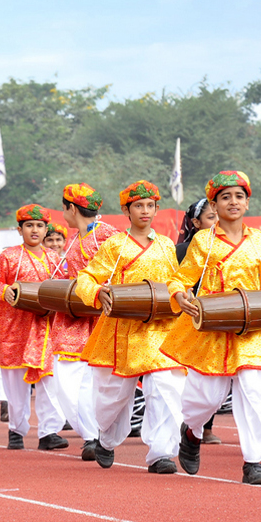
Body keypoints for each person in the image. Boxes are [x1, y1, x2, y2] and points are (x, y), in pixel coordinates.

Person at [166, 171, 261, 485]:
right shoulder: (203, 241)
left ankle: (254, 461)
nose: (232, 202)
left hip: (252, 330)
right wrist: (181, 296)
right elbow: (180, 279)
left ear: (247, 202)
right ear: (214, 204)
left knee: (258, 392)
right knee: (205, 399)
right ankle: (192, 432)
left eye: (238, 196)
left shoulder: (257, 239)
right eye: (225, 197)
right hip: (214, 325)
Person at [75, 181, 185, 472]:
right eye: (138, 206)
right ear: (126, 209)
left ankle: (162, 453)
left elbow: (175, 279)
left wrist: (180, 293)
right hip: (120, 329)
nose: (145, 211)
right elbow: (86, 279)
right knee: (112, 397)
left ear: (157, 208)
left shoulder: (165, 245)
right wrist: (98, 293)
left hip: (159, 327)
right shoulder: (115, 245)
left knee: (164, 387)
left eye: (150, 205)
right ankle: (107, 439)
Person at [0, 204, 66, 450]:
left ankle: (49, 432)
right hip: (14, 329)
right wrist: (4, 290)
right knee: (15, 385)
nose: (34, 230)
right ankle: (16, 430)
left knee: (49, 382)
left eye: (40, 225)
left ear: (45, 229)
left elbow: (63, 287)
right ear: (20, 230)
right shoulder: (9, 256)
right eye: (29, 225)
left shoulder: (54, 258)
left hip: (45, 329)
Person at [49, 183, 118, 459]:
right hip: (75, 317)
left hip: (102, 315)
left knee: (96, 382)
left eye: (63, 207)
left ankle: (96, 436)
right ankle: (92, 434)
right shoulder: (75, 239)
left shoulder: (107, 234)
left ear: (71, 208)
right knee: (66, 381)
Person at [175, 198, 222, 444]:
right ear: (196, 222)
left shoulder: (229, 247)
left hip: (218, 317)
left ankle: (203, 426)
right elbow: (177, 281)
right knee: (191, 375)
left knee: (211, 373)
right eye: (211, 217)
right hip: (188, 318)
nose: (217, 221)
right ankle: (188, 424)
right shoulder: (183, 250)